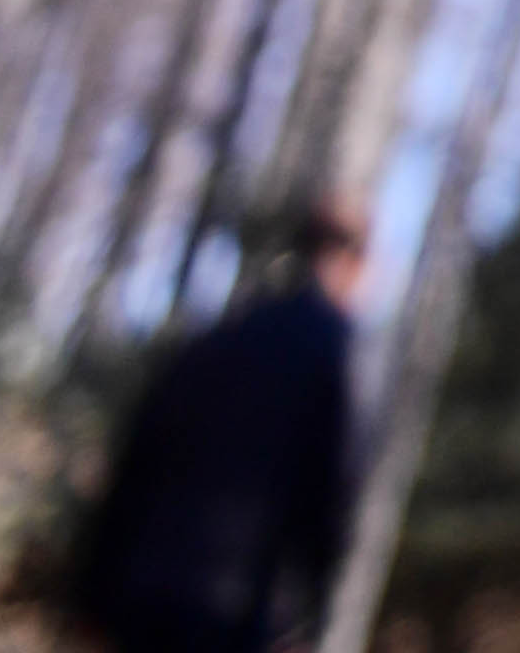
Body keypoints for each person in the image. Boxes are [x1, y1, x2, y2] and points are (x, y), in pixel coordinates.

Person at [79, 197, 370, 653]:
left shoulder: (219, 338)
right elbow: (328, 492)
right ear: (355, 263)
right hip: (234, 609)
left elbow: (136, 462)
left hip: (142, 590)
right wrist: (307, 613)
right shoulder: (331, 352)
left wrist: (93, 592)